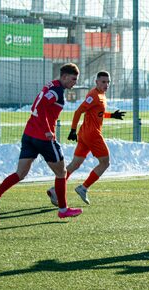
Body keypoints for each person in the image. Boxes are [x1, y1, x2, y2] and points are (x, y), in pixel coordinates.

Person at [0, 63, 83, 219]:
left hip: (29, 135)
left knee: (20, 173)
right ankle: (63, 209)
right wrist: (47, 129)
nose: (75, 83)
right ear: (64, 76)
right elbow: (40, 106)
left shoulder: (51, 85)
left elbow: (37, 106)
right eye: (73, 79)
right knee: (62, 172)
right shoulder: (57, 90)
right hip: (43, 138)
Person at [47, 71, 125, 206]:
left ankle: (55, 190)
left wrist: (111, 115)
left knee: (75, 164)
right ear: (96, 82)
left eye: (108, 82)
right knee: (105, 163)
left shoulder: (101, 95)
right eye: (103, 82)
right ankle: (84, 187)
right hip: (92, 135)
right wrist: (72, 129)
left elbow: (97, 113)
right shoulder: (93, 95)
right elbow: (78, 111)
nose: (106, 85)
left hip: (84, 135)